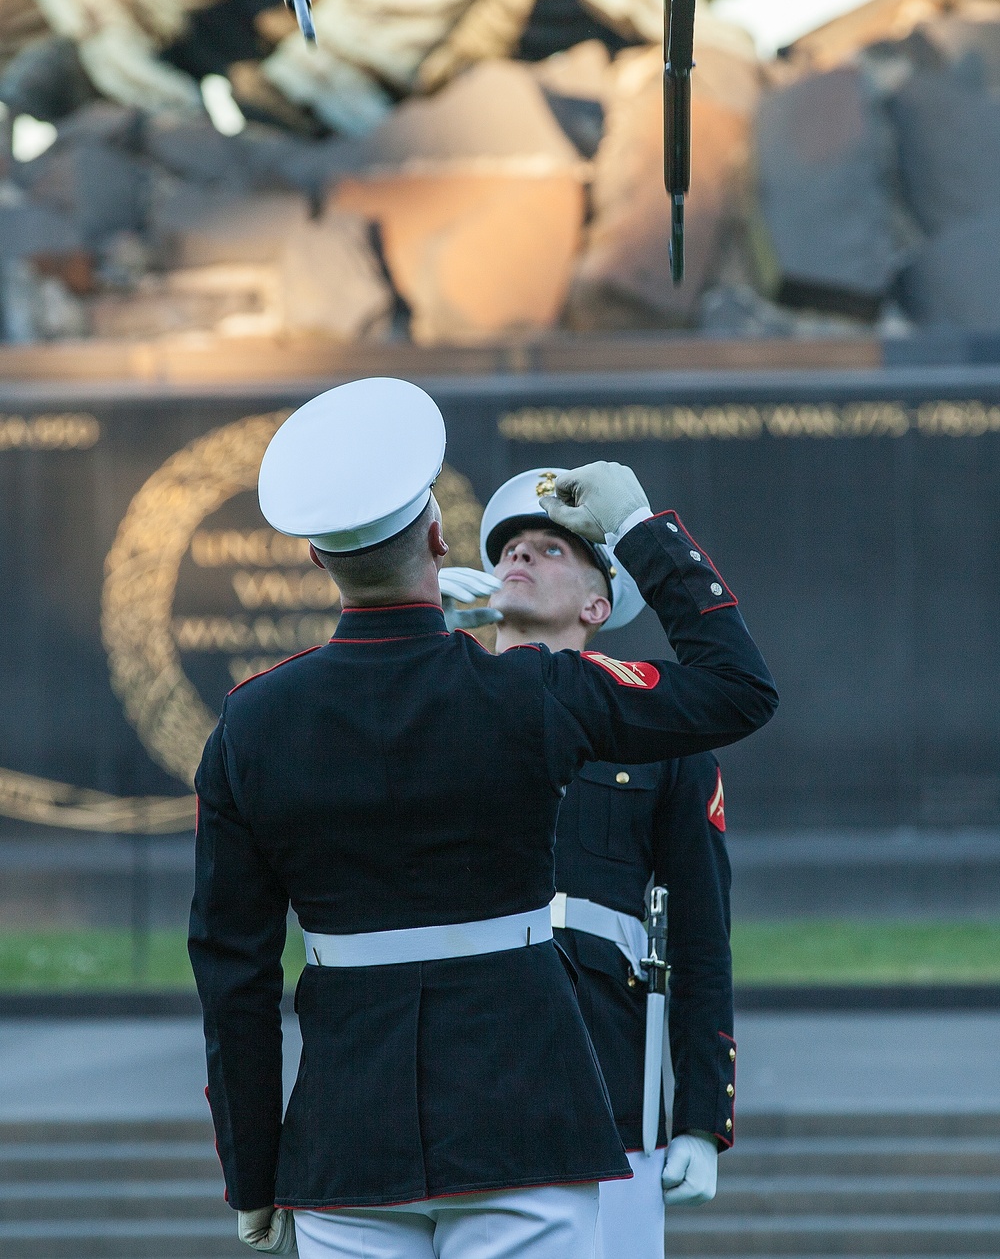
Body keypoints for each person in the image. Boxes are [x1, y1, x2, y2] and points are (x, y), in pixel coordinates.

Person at [188, 377, 777, 1258]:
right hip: (524, 1119)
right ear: (437, 537)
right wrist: (639, 530)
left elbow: (232, 976)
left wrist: (254, 1169)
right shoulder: (528, 692)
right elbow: (737, 688)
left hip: (347, 1140)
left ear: (317, 560)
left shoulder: (253, 721)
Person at [450, 467, 737, 1259]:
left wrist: (700, 1118)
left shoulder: (659, 738)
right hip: (455, 1058)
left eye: (549, 549)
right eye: (508, 546)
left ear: (596, 606)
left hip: (603, 1065)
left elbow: (700, 937)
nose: (519, 558)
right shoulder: (440, 704)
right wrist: (416, 641)